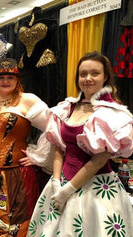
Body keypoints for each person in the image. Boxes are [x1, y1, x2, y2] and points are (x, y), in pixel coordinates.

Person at [27, 51, 133, 237]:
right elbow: (60, 147)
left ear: (105, 76)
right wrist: (56, 181)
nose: (88, 79)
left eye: (95, 73)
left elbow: (99, 160)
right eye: (83, 74)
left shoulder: (112, 114)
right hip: (61, 182)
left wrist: (68, 189)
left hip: (96, 188)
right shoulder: (67, 108)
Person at [0, 58, 52, 236]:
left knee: (16, 220)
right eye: (1, 77)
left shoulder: (28, 100)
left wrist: (37, 156)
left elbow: (53, 128)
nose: (5, 81)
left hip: (16, 173)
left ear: (17, 79)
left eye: (10, 77)